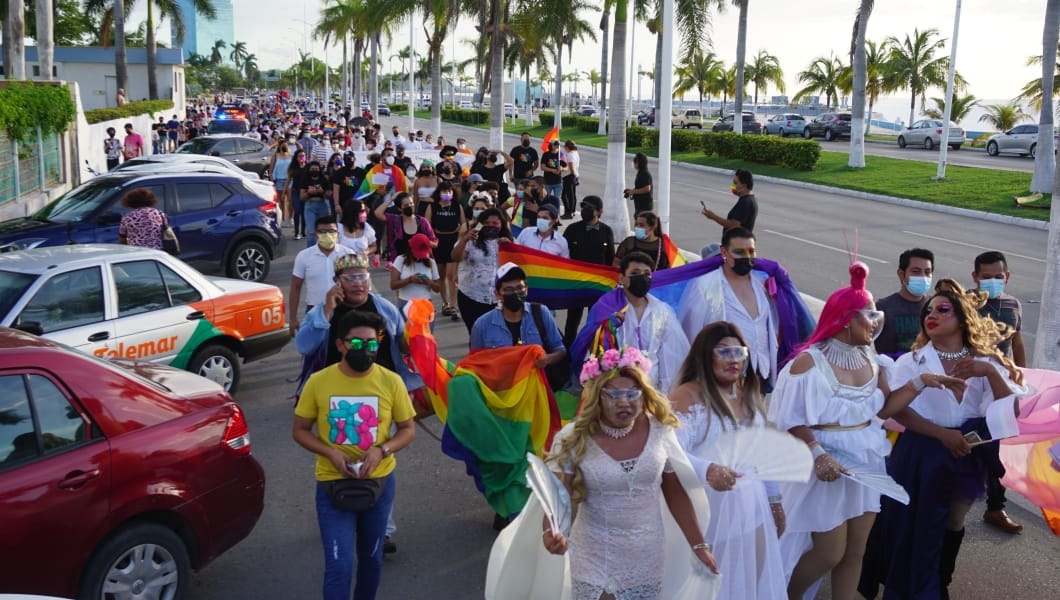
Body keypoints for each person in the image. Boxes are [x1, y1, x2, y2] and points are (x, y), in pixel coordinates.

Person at [768, 262, 935, 600]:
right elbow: (790, 417)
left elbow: (883, 410)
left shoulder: (873, 358)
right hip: (826, 463)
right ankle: (788, 596)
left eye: (876, 316)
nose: (874, 324)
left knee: (855, 551)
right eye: (867, 316)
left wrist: (920, 382)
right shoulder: (809, 362)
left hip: (867, 459)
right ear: (844, 318)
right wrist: (817, 451)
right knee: (829, 552)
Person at [858, 279, 1026, 600]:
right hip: (921, 450)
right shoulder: (912, 361)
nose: (931, 315)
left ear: (962, 319)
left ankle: (939, 582)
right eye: (928, 311)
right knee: (910, 520)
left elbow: (1011, 408)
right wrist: (940, 434)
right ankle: (910, 583)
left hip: (967, 452)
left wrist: (988, 373)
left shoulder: (985, 362)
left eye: (942, 309)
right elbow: (898, 410)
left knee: (952, 519)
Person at [539, 346, 719, 599]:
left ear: (643, 395)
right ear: (597, 397)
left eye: (631, 394)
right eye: (612, 395)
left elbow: (675, 492)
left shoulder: (660, 432)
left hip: (646, 556)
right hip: (593, 553)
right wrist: (551, 532)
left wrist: (699, 546)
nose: (623, 402)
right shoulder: (574, 438)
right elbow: (558, 496)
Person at [293, 309, 416, 600]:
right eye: (357, 344)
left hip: (379, 484)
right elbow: (300, 430)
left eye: (372, 344)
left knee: (372, 559)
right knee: (340, 564)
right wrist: (330, 453)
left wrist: (381, 449)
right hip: (332, 482)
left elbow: (407, 429)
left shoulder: (391, 382)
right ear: (340, 346)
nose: (365, 350)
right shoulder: (319, 382)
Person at [670, 322, 787, 599]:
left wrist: (775, 500)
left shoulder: (747, 392)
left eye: (739, 352)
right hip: (710, 509)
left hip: (752, 506)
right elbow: (671, 451)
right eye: (723, 352)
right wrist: (707, 469)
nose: (733, 359)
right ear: (704, 355)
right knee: (712, 583)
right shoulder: (686, 396)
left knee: (753, 579)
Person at [678, 228, 776, 390]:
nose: (747, 257)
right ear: (724, 252)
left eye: (751, 251)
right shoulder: (704, 286)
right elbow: (689, 333)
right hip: (719, 377)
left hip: (758, 375)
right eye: (739, 251)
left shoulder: (762, 283)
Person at [971, 250, 1026, 535]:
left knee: (997, 447)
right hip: (969, 387)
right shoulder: (964, 304)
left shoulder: (1013, 304)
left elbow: (1016, 344)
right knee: (970, 444)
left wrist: (1021, 381)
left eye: (998, 277)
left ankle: (995, 507)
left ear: (1007, 276)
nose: (993, 281)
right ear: (975, 277)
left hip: (1001, 389)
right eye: (986, 277)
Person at [604, 251, 690, 394]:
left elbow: (672, 357)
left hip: (652, 392)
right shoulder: (607, 308)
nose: (642, 278)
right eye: (635, 273)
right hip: (617, 392)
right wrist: (609, 326)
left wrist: (664, 398)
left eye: (647, 274)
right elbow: (595, 349)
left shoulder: (663, 311)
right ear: (621, 278)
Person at [470, 262, 566, 367]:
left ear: (526, 289)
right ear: (497, 294)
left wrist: (546, 359)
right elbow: (474, 363)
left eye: (520, 288)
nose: (515, 293)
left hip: (536, 381)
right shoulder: (482, 326)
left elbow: (560, 350)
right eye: (508, 290)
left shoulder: (541, 313)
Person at [289, 215, 355, 337]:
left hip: (344, 309)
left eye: (331, 231)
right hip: (315, 310)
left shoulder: (348, 254)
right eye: (323, 232)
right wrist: (293, 318)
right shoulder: (304, 256)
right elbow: (295, 287)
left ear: (338, 234)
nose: (328, 235)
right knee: (314, 349)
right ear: (315, 235)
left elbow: (358, 282)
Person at [561, 195, 615, 345]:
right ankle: (568, 351)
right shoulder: (573, 229)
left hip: (598, 285)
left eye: (589, 208)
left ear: (599, 211)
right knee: (572, 321)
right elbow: (563, 255)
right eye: (583, 207)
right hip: (577, 284)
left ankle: (593, 351)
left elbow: (611, 258)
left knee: (596, 321)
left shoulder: (606, 231)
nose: (585, 210)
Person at [452, 207, 514, 333]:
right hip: (471, 296)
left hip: (498, 300)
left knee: (498, 336)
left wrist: (508, 248)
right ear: (480, 224)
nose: (490, 226)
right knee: (476, 335)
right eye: (487, 223)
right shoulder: (470, 242)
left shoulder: (508, 243)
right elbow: (455, 257)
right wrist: (464, 240)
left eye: (495, 223)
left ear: (501, 225)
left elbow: (516, 267)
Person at [874, 248, 935, 358]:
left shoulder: (936, 307)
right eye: (916, 272)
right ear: (901, 274)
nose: (923, 277)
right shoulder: (882, 308)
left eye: (927, 272)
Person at [424, 181, 466, 321]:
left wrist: (461, 233)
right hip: (438, 243)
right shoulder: (432, 206)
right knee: (441, 275)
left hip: (453, 242)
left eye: (449, 191)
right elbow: (426, 224)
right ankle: (445, 303)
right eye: (444, 191)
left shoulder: (457, 206)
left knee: (451, 276)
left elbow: (464, 223)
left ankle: (454, 305)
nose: (447, 194)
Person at [699, 169, 758, 258]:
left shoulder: (746, 202)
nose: (733, 186)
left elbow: (734, 225)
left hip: (738, 250)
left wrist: (713, 216)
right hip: (736, 248)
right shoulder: (747, 200)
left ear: (744, 185)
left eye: (735, 183)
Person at [373, 192, 437, 262]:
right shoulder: (394, 221)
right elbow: (377, 213)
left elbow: (435, 243)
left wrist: (421, 241)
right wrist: (391, 199)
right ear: (399, 208)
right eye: (406, 205)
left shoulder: (422, 222)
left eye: (411, 203)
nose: (410, 206)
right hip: (400, 263)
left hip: (421, 262)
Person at [389, 233, 440, 314]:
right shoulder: (400, 260)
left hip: (425, 304)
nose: (419, 257)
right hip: (405, 304)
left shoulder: (431, 262)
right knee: (405, 327)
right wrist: (410, 280)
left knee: (426, 327)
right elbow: (393, 285)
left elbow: (438, 288)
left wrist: (429, 282)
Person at [301, 161, 333, 248]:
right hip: (310, 205)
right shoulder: (306, 180)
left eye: (316, 169)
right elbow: (302, 196)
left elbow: (329, 194)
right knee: (311, 231)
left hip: (322, 204)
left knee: (323, 230)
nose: (314, 171)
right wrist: (309, 192)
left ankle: (323, 249)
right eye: (312, 169)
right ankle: (311, 252)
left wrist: (322, 191)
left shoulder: (324, 180)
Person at [287, 149, 310, 240]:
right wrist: (285, 190)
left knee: (304, 212)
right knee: (297, 211)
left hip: (305, 192)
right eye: (300, 156)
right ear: (296, 158)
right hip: (296, 191)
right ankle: (296, 232)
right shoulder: (293, 168)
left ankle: (303, 232)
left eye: (303, 155)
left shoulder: (308, 167)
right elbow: (289, 179)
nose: (302, 157)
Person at [269, 143, 294, 225]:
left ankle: (291, 218)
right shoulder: (275, 156)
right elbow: (271, 170)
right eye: (282, 145)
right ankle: (283, 219)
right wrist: (272, 180)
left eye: (286, 145)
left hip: (289, 180)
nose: (284, 147)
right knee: (282, 201)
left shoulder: (291, 156)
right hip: (279, 180)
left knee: (290, 200)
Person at [560, 140, 580, 220]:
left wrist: (572, 173)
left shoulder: (570, 155)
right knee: (572, 194)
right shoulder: (575, 153)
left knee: (566, 195)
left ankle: (568, 212)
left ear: (567, 147)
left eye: (565, 147)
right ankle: (573, 210)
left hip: (569, 176)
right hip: (574, 175)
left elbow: (571, 166)